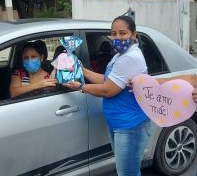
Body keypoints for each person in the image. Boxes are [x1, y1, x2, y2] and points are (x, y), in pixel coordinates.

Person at [64, 15, 153, 176]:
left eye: (123, 33)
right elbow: (108, 80)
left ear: (134, 35)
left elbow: (107, 90)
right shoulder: (120, 55)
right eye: (113, 33)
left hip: (131, 126)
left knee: (127, 173)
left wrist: (81, 86)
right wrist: (82, 70)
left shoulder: (130, 57)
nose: (117, 37)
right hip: (121, 124)